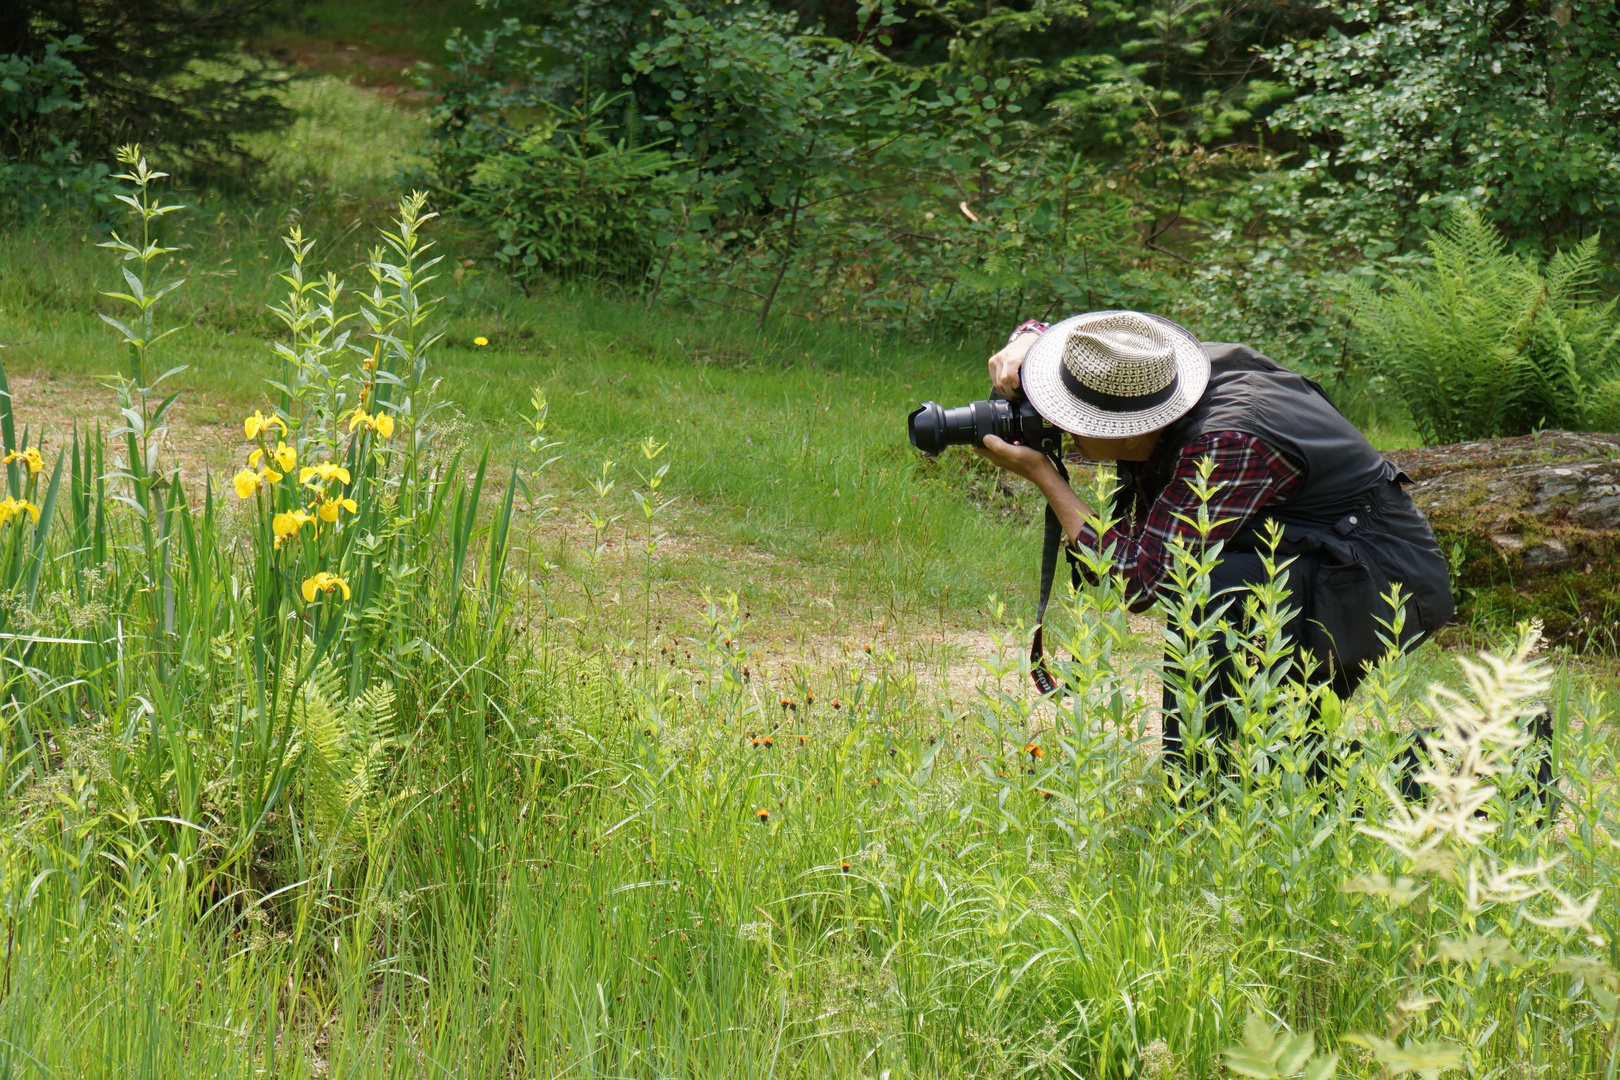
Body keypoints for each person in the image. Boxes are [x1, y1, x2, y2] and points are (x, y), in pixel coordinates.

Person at [971, 310, 1455, 770]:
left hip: (1376, 584)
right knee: (1271, 762)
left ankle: (1480, 763)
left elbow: (1139, 580)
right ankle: (1217, 777)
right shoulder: (1154, 369)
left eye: (1071, 421)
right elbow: (1087, 347)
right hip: (1313, 556)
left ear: (1130, 429)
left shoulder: (1223, 442)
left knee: (1262, 762)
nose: (1057, 427)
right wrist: (1029, 341)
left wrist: (1046, 478)